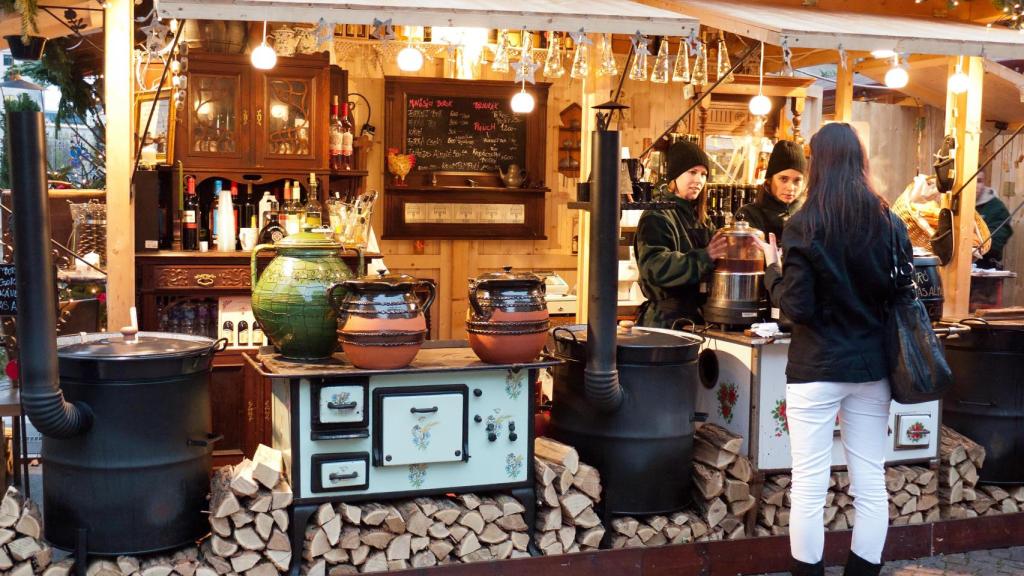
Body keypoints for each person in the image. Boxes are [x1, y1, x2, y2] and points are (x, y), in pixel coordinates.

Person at [756, 124, 911, 576]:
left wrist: (772, 272)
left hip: (816, 368)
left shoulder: (803, 224)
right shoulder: (888, 220)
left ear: (816, 163)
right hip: (871, 367)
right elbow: (902, 289)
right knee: (870, 483)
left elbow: (797, 307)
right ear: (860, 160)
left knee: (808, 485)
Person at [633, 140, 728, 328]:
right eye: (692, 172)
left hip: (696, 318)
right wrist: (704, 257)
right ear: (674, 176)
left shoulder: (701, 218)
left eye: (703, 174)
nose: (699, 180)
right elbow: (655, 267)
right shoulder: (657, 214)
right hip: (664, 323)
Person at [736, 140, 807, 239]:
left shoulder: (810, 214)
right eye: (783, 179)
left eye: (797, 180)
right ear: (769, 180)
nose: (791, 187)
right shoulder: (749, 214)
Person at [975, 170, 1014, 269]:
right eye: (971, 181)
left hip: (984, 269)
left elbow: (994, 244)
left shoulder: (997, 208)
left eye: (979, 181)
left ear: (984, 184)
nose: (975, 185)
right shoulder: (952, 203)